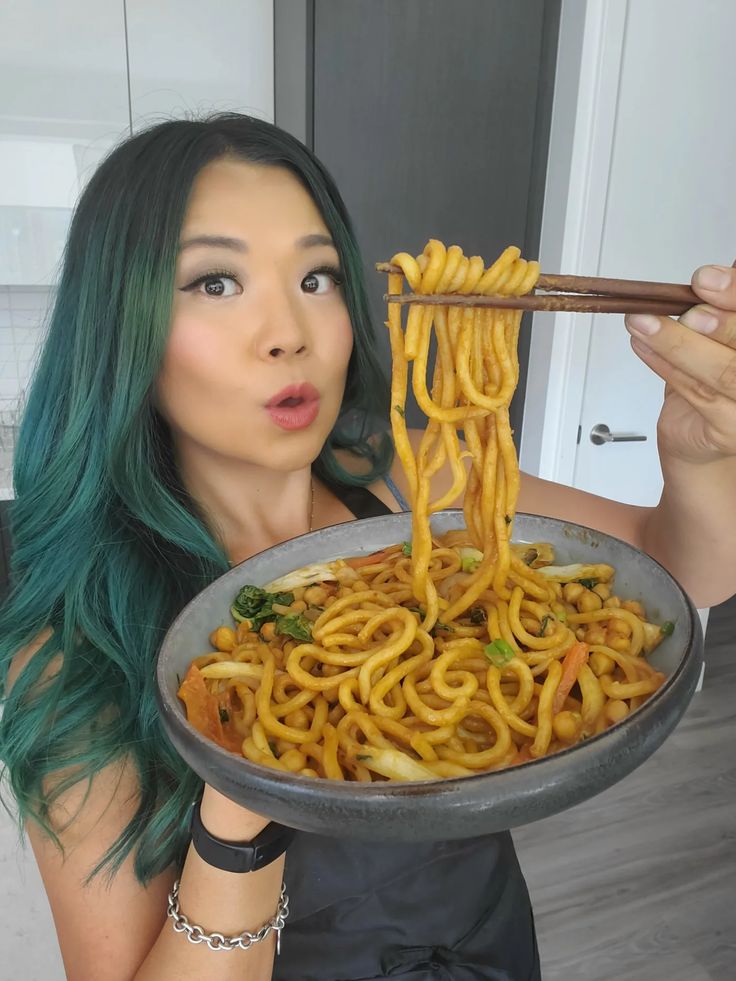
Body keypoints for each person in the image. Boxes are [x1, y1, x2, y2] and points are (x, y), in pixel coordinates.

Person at [0, 113, 734, 981]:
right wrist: (247, 789)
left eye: (316, 276)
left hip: (488, 939)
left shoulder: (418, 478)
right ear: (120, 324)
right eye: (216, 283)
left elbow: (676, 575)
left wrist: (699, 463)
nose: (289, 334)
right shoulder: (76, 646)